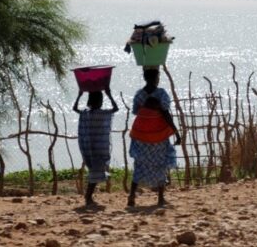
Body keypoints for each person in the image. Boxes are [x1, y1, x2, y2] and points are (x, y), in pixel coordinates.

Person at [128, 68, 181, 207]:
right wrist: (176, 132)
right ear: (156, 78)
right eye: (158, 76)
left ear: (145, 78)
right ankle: (160, 199)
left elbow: (135, 111)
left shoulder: (139, 94)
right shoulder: (161, 94)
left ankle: (132, 196)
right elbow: (165, 113)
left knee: (140, 163)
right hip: (158, 135)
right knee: (161, 163)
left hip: (140, 134)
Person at [73, 87, 118, 206]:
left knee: (94, 171)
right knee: (95, 172)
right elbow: (116, 108)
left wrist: (79, 95)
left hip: (88, 149)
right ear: (100, 102)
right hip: (100, 148)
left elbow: (74, 108)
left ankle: (89, 196)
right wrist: (109, 94)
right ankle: (88, 197)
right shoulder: (102, 114)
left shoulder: (85, 114)